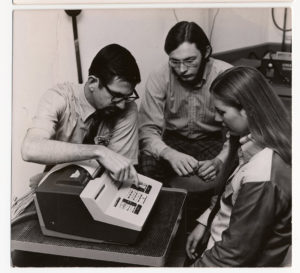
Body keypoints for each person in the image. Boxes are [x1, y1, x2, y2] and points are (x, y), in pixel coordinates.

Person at [186, 66, 291, 267]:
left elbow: (233, 255)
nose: (217, 119)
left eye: (222, 112)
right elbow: (233, 195)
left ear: (247, 109)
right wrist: (205, 221)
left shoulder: (263, 173)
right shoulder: (249, 144)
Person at [22, 44, 141, 185]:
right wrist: (98, 151)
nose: (121, 104)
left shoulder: (127, 108)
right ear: (93, 83)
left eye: (127, 97)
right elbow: (30, 149)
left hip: (99, 185)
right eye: (116, 95)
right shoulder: (59, 98)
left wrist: (47, 177)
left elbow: (119, 173)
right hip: (56, 183)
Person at [138, 21, 232, 191]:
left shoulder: (225, 74)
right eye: (174, 61)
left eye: (189, 61)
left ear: (206, 52)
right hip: (173, 140)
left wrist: (220, 160)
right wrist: (169, 153)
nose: (182, 69)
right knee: (147, 161)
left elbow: (240, 132)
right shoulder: (159, 75)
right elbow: (147, 130)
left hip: (212, 140)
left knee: (223, 175)